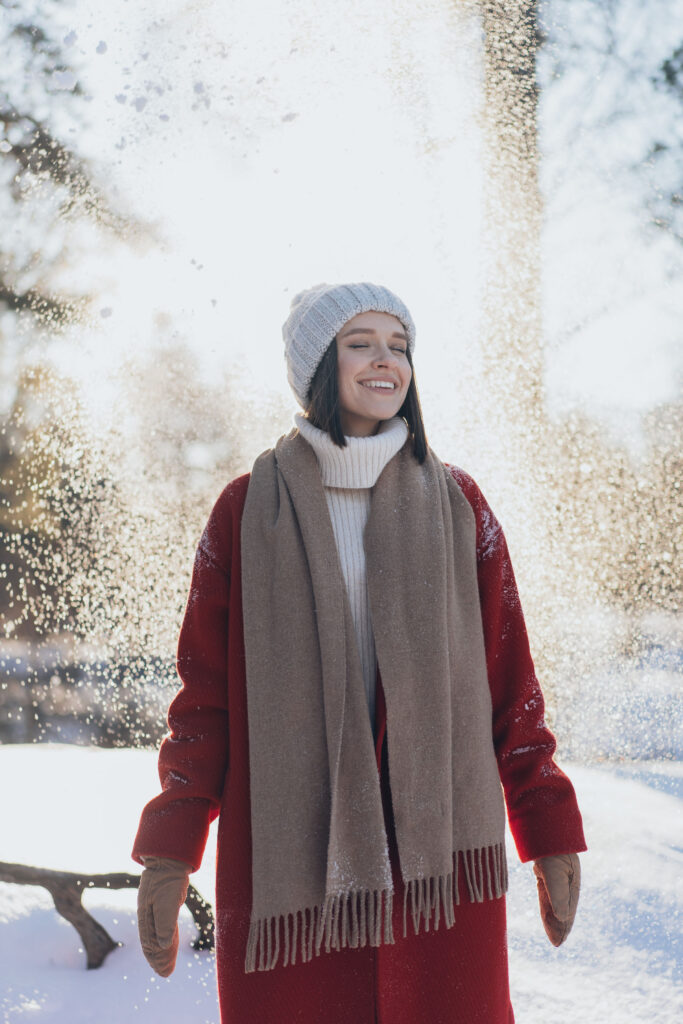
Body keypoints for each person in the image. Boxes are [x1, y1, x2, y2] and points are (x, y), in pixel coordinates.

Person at [133, 282, 587, 1024]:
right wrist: (170, 848)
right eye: (361, 343)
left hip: (435, 861)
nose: (387, 361)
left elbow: (510, 686)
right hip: (293, 860)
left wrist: (547, 828)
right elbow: (204, 700)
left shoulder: (457, 504)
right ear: (319, 364)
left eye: (399, 346)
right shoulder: (247, 510)